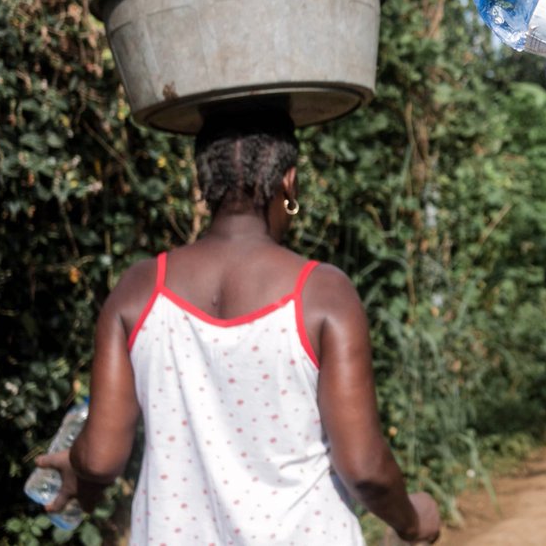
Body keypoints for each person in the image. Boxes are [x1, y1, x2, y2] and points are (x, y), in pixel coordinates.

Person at [33, 108, 441, 545]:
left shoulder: (138, 289)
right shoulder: (323, 293)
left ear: (202, 183)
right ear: (289, 181)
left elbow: (99, 458)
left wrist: (77, 469)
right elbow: (365, 469)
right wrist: (412, 520)